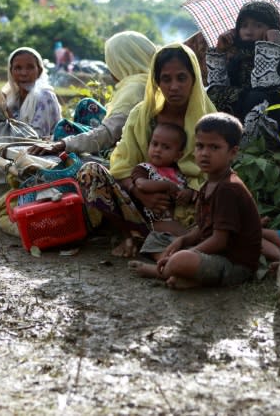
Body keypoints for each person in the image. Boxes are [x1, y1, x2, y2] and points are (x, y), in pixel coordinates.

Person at [77, 43, 216, 258]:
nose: (174, 86)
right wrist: (139, 192)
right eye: (166, 79)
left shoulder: (207, 119)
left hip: (190, 206)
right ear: (156, 82)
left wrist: (194, 190)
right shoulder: (142, 116)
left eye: (181, 78)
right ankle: (130, 235)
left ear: (194, 79)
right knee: (90, 172)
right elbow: (122, 165)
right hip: (141, 205)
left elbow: (218, 168)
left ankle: (171, 243)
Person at [129, 113, 263, 289]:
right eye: (200, 146)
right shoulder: (210, 183)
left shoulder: (228, 189)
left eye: (214, 147)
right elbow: (204, 227)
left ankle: (161, 271)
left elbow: (220, 241)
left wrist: (187, 251)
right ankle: (186, 277)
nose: (205, 153)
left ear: (233, 152)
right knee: (157, 239)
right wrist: (183, 241)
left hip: (234, 266)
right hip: (214, 255)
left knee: (182, 259)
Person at [28, 31, 156, 157]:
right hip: (118, 135)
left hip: (121, 149)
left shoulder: (135, 89)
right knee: (87, 105)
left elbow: (109, 134)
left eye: (111, 62)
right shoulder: (148, 80)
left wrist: (62, 144)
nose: (109, 68)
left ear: (122, 63)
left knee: (63, 129)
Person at [205, 1, 280, 147]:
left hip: (277, 130)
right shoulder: (238, 59)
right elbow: (216, 90)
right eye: (244, 25)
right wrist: (220, 52)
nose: (249, 30)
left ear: (273, 30)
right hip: (235, 125)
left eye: (258, 25)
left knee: (257, 97)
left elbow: (264, 91)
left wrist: (270, 49)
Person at [131, 122, 195, 236]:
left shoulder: (180, 173)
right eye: (155, 144)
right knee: (183, 234)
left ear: (178, 155)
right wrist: (167, 185)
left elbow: (187, 190)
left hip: (181, 217)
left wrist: (188, 193)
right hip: (156, 221)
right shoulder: (144, 168)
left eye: (166, 147)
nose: (158, 150)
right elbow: (141, 184)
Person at [3, 46, 62, 137]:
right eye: (18, 68)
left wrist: (8, 115)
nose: (24, 73)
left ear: (39, 71)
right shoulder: (12, 97)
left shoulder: (45, 96)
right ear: (11, 72)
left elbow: (34, 138)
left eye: (30, 67)